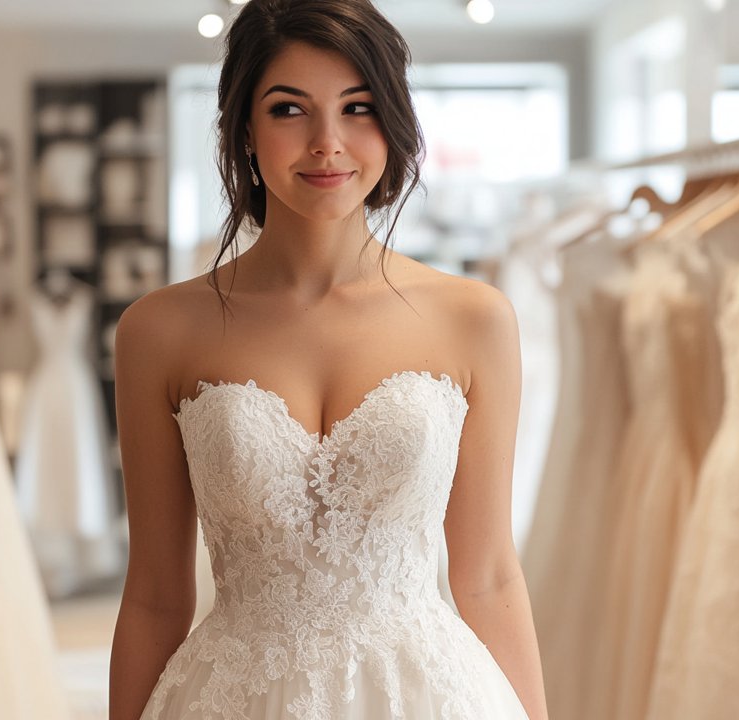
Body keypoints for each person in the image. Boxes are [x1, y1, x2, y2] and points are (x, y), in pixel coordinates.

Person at [109, 1, 548, 717]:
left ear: (395, 125)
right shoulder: (158, 331)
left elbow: (490, 578)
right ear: (242, 129)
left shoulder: (475, 319)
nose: (327, 143)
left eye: (358, 107)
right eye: (289, 109)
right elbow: (155, 598)